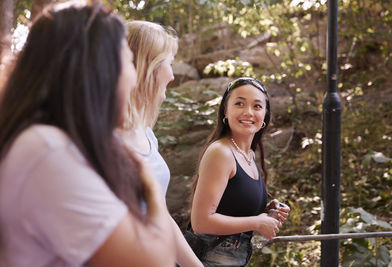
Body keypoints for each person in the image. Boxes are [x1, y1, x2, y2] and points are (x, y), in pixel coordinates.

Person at [0, 2, 177, 266]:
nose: (133, 78)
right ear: (100, 70)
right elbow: (154, 260)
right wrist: (148, 182)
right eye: (128, 62)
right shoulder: (49, 149)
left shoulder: (55, 141)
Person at [120, 20, 203, 267]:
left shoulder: (146, 134)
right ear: (148, 66)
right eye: (169, 62)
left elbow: (161, 218)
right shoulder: (104, 139)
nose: (172, 74)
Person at [189, 77, 291, 266]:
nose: (248, 112)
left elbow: (232, 209)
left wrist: (267, 212)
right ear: (225, 112)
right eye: (239, 103)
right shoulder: (221, 152)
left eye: (257, 106)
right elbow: (201, 222)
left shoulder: (248, 154)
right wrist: (256, 223)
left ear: (265, 116)